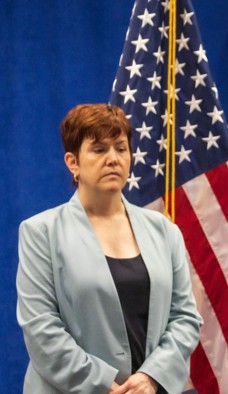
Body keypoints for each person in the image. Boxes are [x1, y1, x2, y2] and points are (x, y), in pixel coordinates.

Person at [16, 104, 202, 393]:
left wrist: (151, 377)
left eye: (121, 148)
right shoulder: (40, 232)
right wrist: (105, 385)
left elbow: (185, 318)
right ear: (73, 162)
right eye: (99, 149)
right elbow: (42, 330)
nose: (113, 159)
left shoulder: (165, 231)